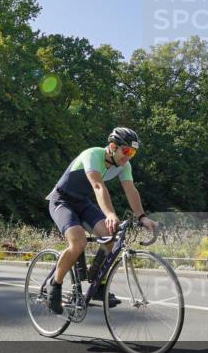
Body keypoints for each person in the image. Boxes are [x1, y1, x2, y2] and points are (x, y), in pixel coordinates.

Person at [45, 127, 157, 314]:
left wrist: (142, 217)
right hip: (62, 200)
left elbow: (131, 190)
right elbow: (98, 186)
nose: (128, 157)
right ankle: (55, 284)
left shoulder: (124, 165)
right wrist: (110, 214)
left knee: (111, 238)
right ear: (112, 147)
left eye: (133, 153)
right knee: (78, 242)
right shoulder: (92, 155)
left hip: (82, 202)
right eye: (126, 151)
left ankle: (97, 283)